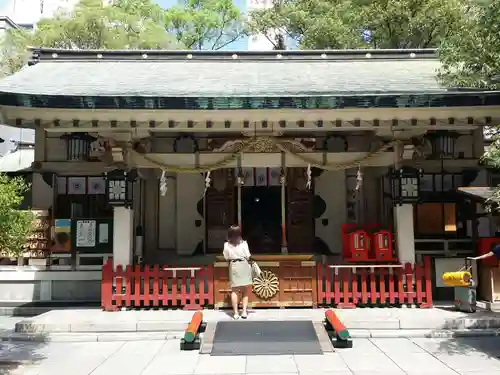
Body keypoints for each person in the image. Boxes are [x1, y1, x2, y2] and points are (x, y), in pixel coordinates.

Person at [223, 225, 252, 320]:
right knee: (245, 290)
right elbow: (248, 256)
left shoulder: (226, 245)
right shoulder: (244, 244)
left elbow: (226, 257)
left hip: (234, 265)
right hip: (243, 265)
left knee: (234, 290)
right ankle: (244, 312)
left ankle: (235, 313)